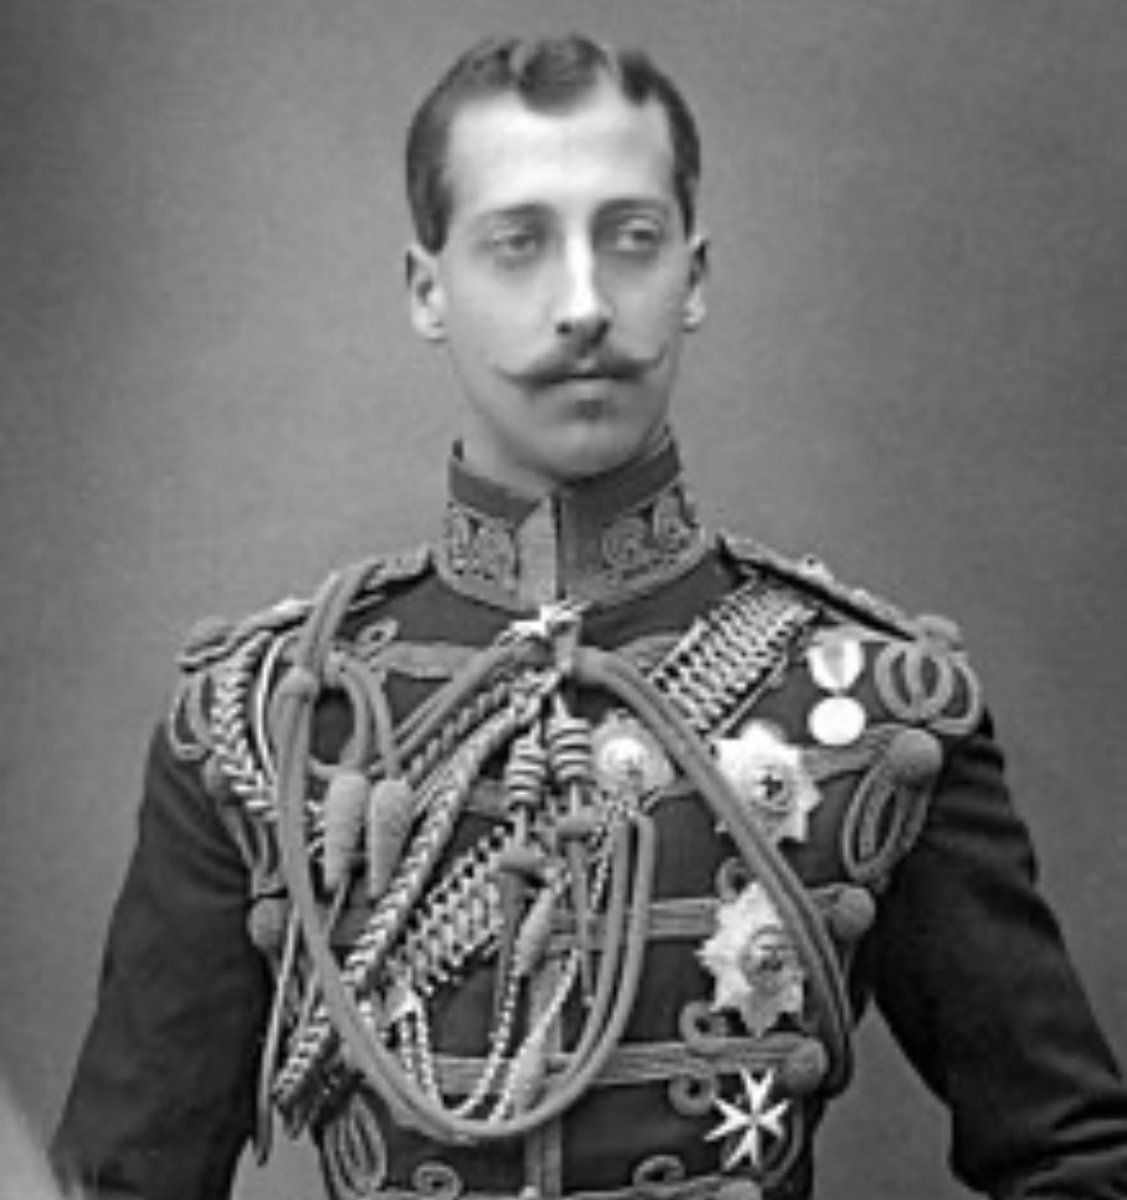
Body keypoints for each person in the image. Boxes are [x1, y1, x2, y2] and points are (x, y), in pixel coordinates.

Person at [52, 33, 1127, 1200]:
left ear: (693, 276)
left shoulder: (869, 707)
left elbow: (1072, 1161)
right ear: (426, 290)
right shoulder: (267, 725)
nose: (581, 305)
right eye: (517, 243)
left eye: (630, 238)